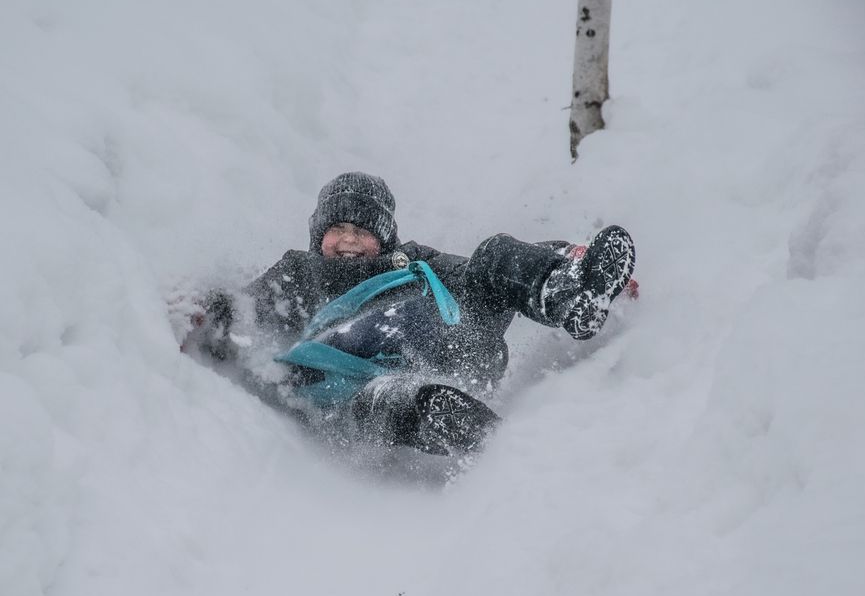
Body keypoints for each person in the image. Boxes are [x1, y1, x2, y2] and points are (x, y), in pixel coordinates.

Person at [181, 171, 636, 455]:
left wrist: (570, 259)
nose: (349, 240)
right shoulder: (299, 273)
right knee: (386, 397)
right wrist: (203, 314)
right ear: (317, 233)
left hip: (453, 342)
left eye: (363, 230)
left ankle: (571, 297)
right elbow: (245, 307)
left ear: (386, 238)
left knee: (494, 252)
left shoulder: (414, 262)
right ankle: (457, 426)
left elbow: (486, 270)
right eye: (337, 228)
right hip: (365, 373)